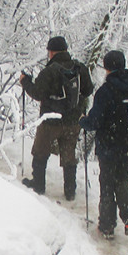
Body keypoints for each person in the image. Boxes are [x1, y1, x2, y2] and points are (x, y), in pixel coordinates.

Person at [79, 50, 128, 239]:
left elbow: (95, 122)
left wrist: (83, 121)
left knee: (107, 182)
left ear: (107, 68)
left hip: (109, 145)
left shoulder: (105, 91)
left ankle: (107, 226)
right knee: (120, 177)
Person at [20, 36, 93, 200]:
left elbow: (38, 93)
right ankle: (70, 191)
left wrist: (25, 83)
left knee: (40, 152)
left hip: (50, 120)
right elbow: (88, 90)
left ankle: (38, 185)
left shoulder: (50, 71)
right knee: (69, 155)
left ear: (51, 52)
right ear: (66, 50)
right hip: (73, 121)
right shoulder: (80, 68)